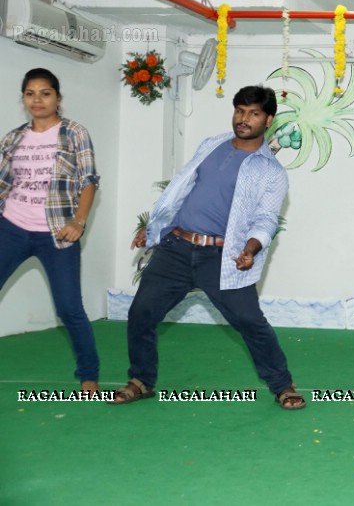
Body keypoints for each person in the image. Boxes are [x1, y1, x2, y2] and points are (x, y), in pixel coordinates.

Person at [111, 86, 305, 409]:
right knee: (142, 312)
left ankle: (283, 385)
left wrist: (251, 249)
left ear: (268, 119)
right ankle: (141, 380)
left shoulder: (271, 172)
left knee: (250, 322)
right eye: (240, 111)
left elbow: (266, 219)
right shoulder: (211, 145)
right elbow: (180, 191)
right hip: (176, 247)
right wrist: (154, 228)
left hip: (223, 257)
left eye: (253, 113)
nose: (244, 119)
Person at [0, 69, 101, 396]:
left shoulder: (74, 133)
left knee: (69, 308)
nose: (37, 100)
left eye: (45, 93)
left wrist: (79, 221)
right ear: (23, 99)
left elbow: (89, 181)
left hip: (57, 233)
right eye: (30, 93)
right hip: (12, 228)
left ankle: (88, 374)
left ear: (58, 98)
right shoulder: (13, 138)